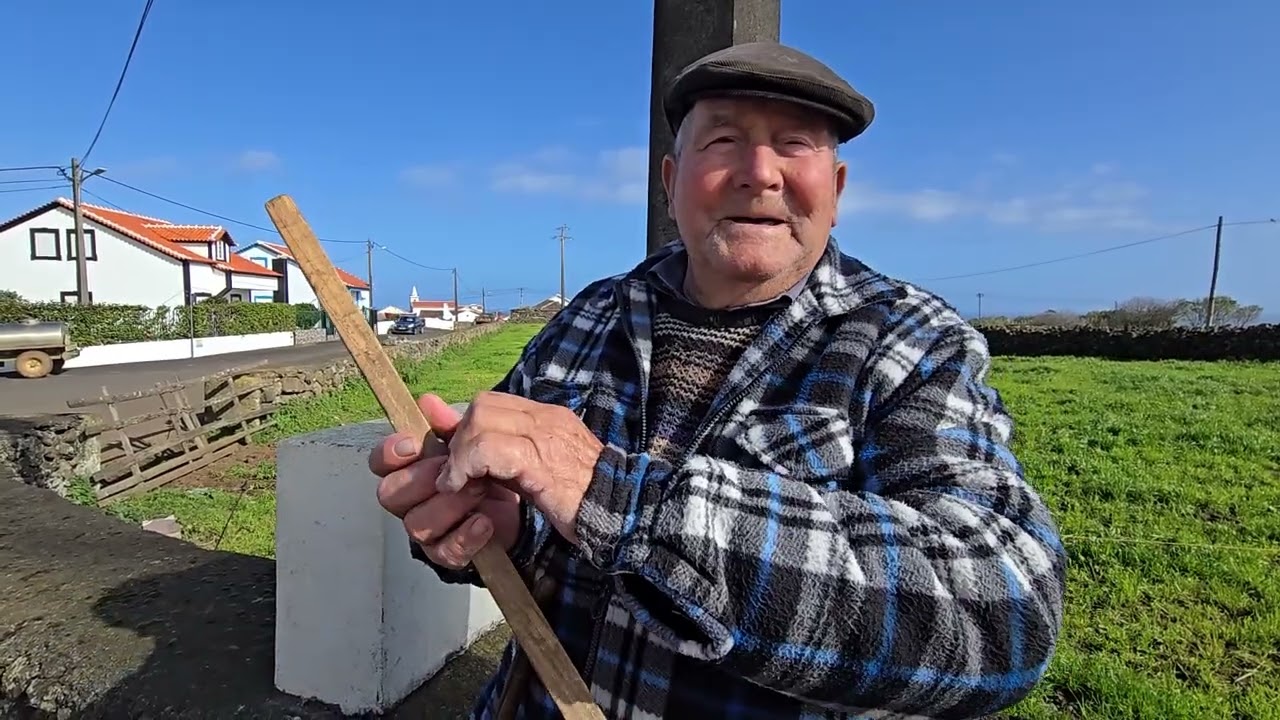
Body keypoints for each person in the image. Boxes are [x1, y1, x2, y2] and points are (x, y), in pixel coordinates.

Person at [370, 41, 1066, 720]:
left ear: (838, 189)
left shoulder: (908, 342)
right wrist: (499, 528)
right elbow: (528, 533)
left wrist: (605, 492)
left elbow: (1003, 616)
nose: (759, 172)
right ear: (672, 183)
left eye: (794, 143)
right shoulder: (590, 315)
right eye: (723, 141)